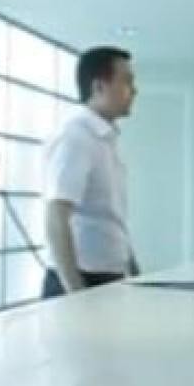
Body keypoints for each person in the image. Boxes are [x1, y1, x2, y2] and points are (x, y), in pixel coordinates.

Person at [42, 47, 138, 296]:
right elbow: (56, 216)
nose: (134, 91)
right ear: (99, 87)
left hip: (109, 276)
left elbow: (110, 217)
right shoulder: (76, 136)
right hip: (80, 280)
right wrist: (75, 293)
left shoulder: (105, 138)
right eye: (127, 81)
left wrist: (132, 267)